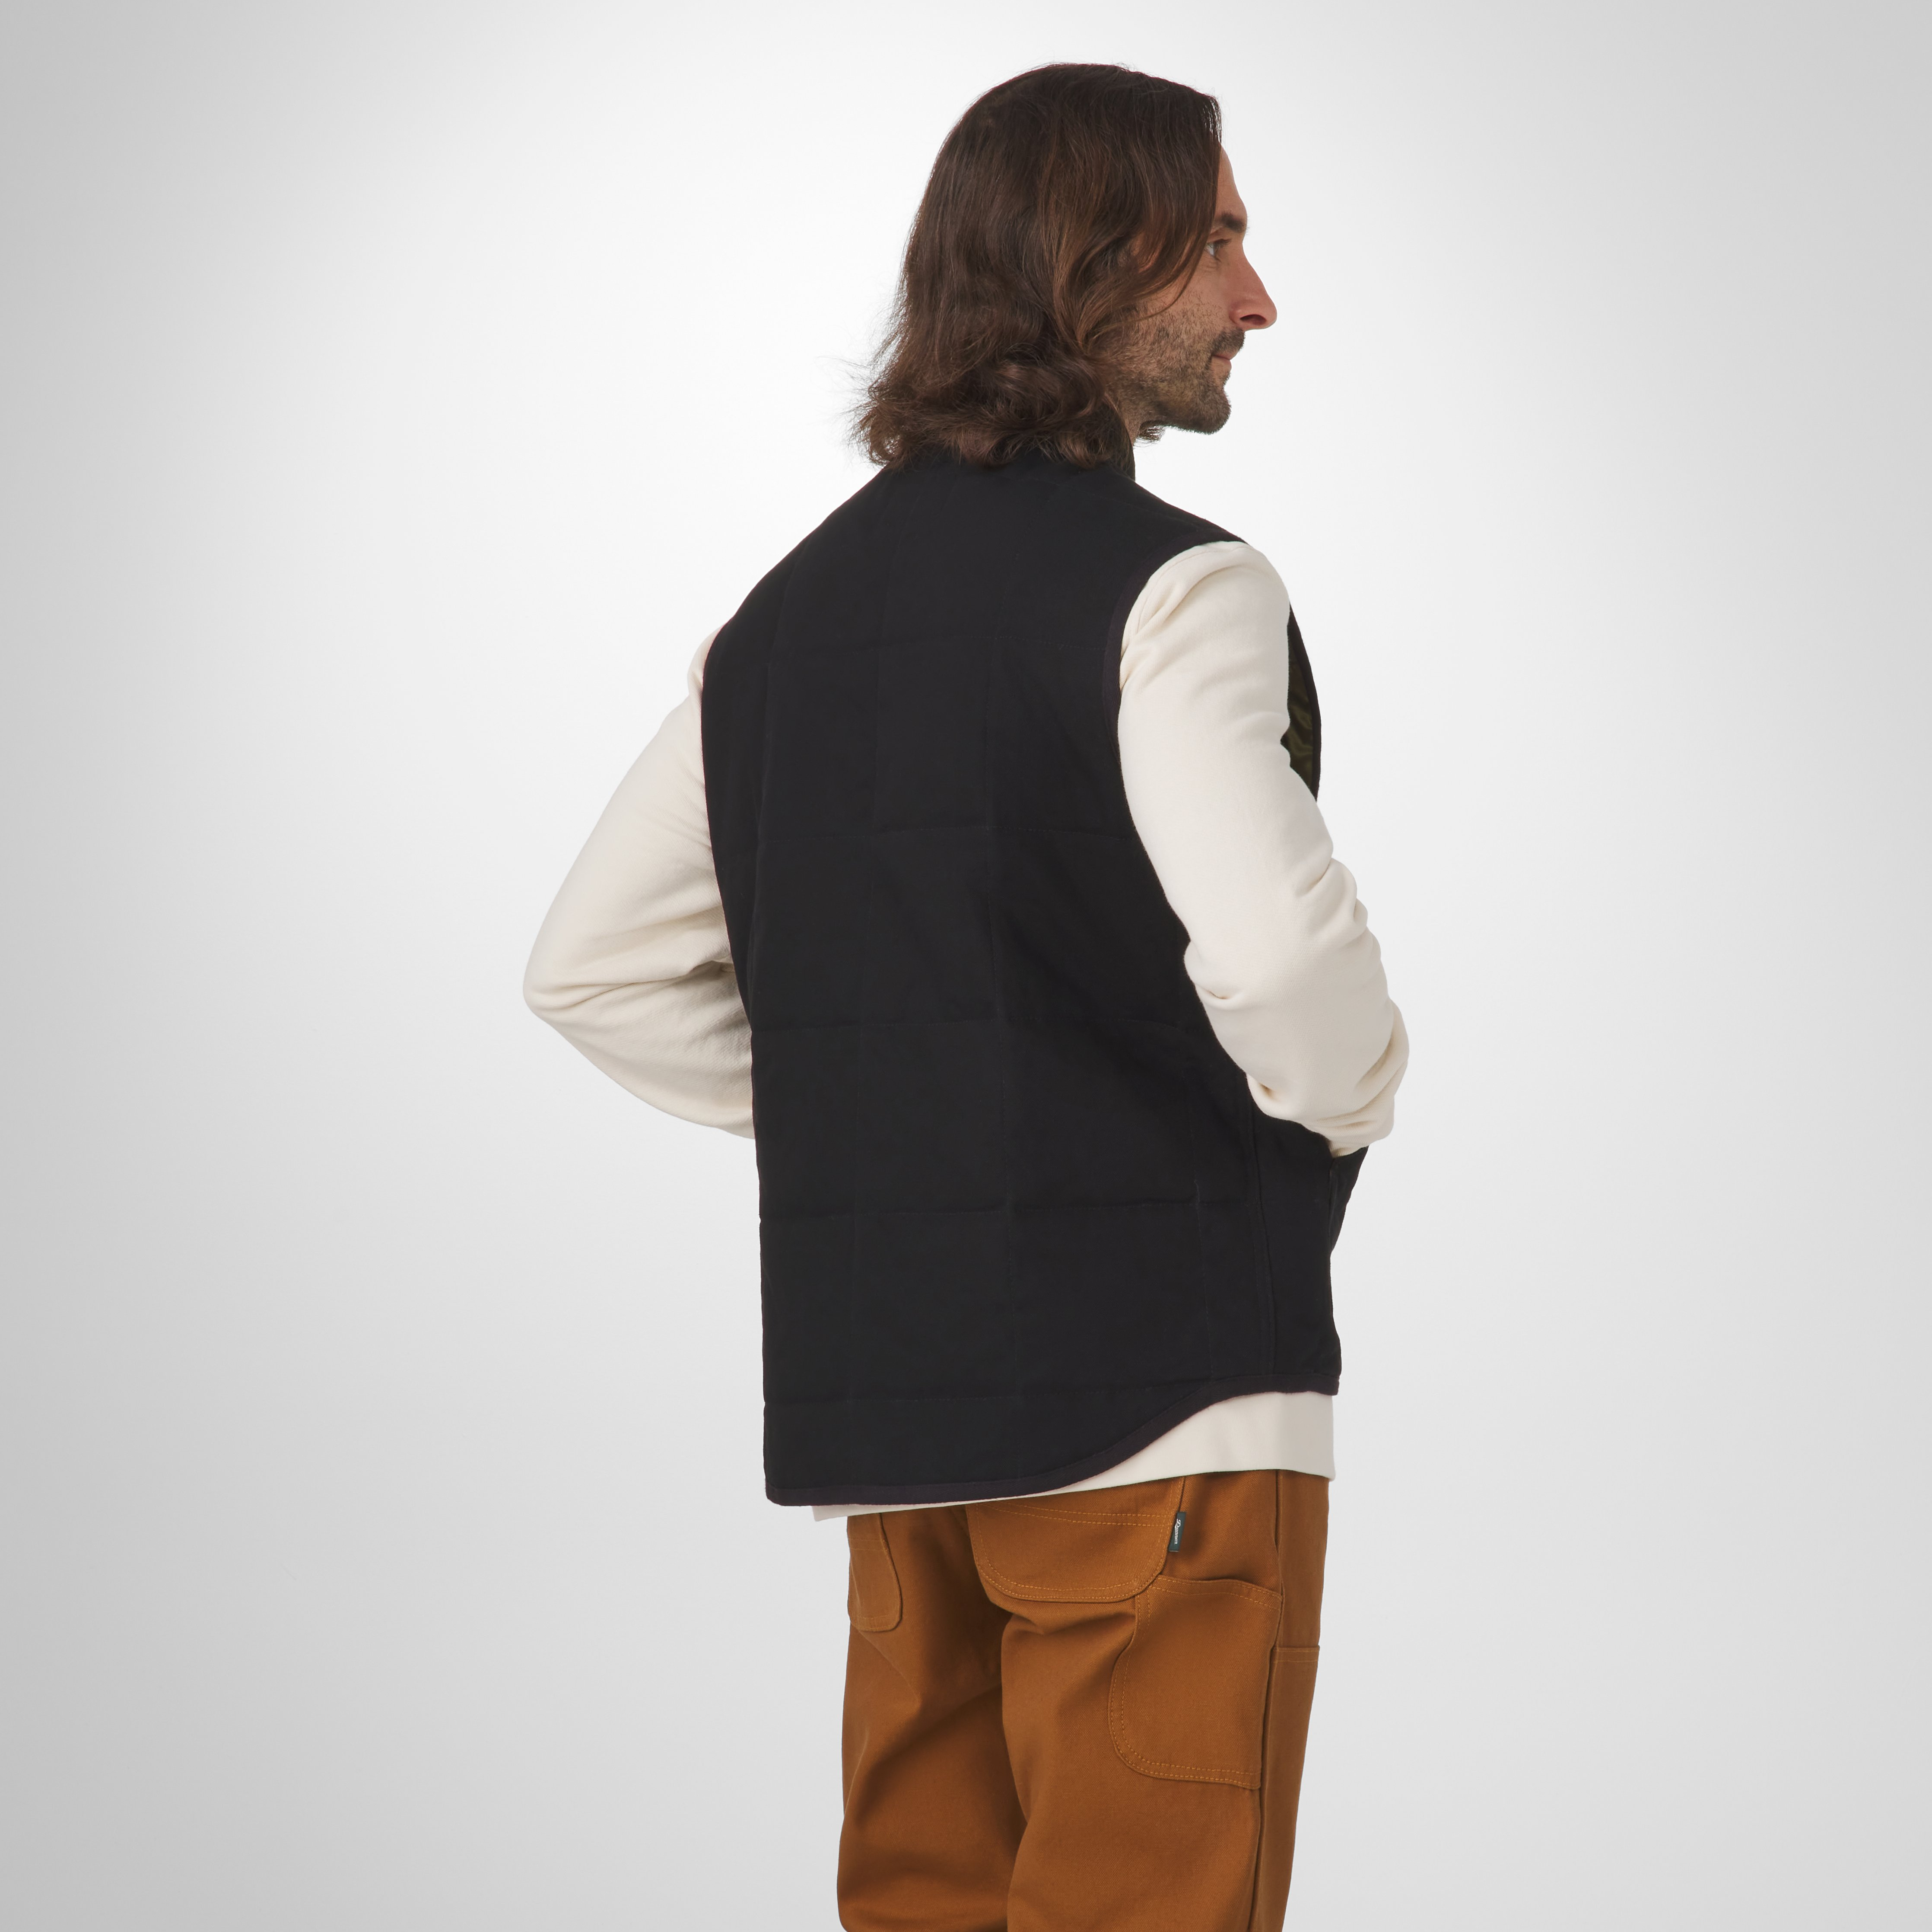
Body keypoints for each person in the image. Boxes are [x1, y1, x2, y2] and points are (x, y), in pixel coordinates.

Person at [523, 61, 1407, 1932]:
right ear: (1098, 255)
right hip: (1171, 1414)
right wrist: (1344, 1106)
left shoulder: (779, 625)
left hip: (900, 1437)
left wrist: (904, 1120)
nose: (1257, 298)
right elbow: (1277, 961)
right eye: (1220, 240)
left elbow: (591, 964)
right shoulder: (1180, 592)